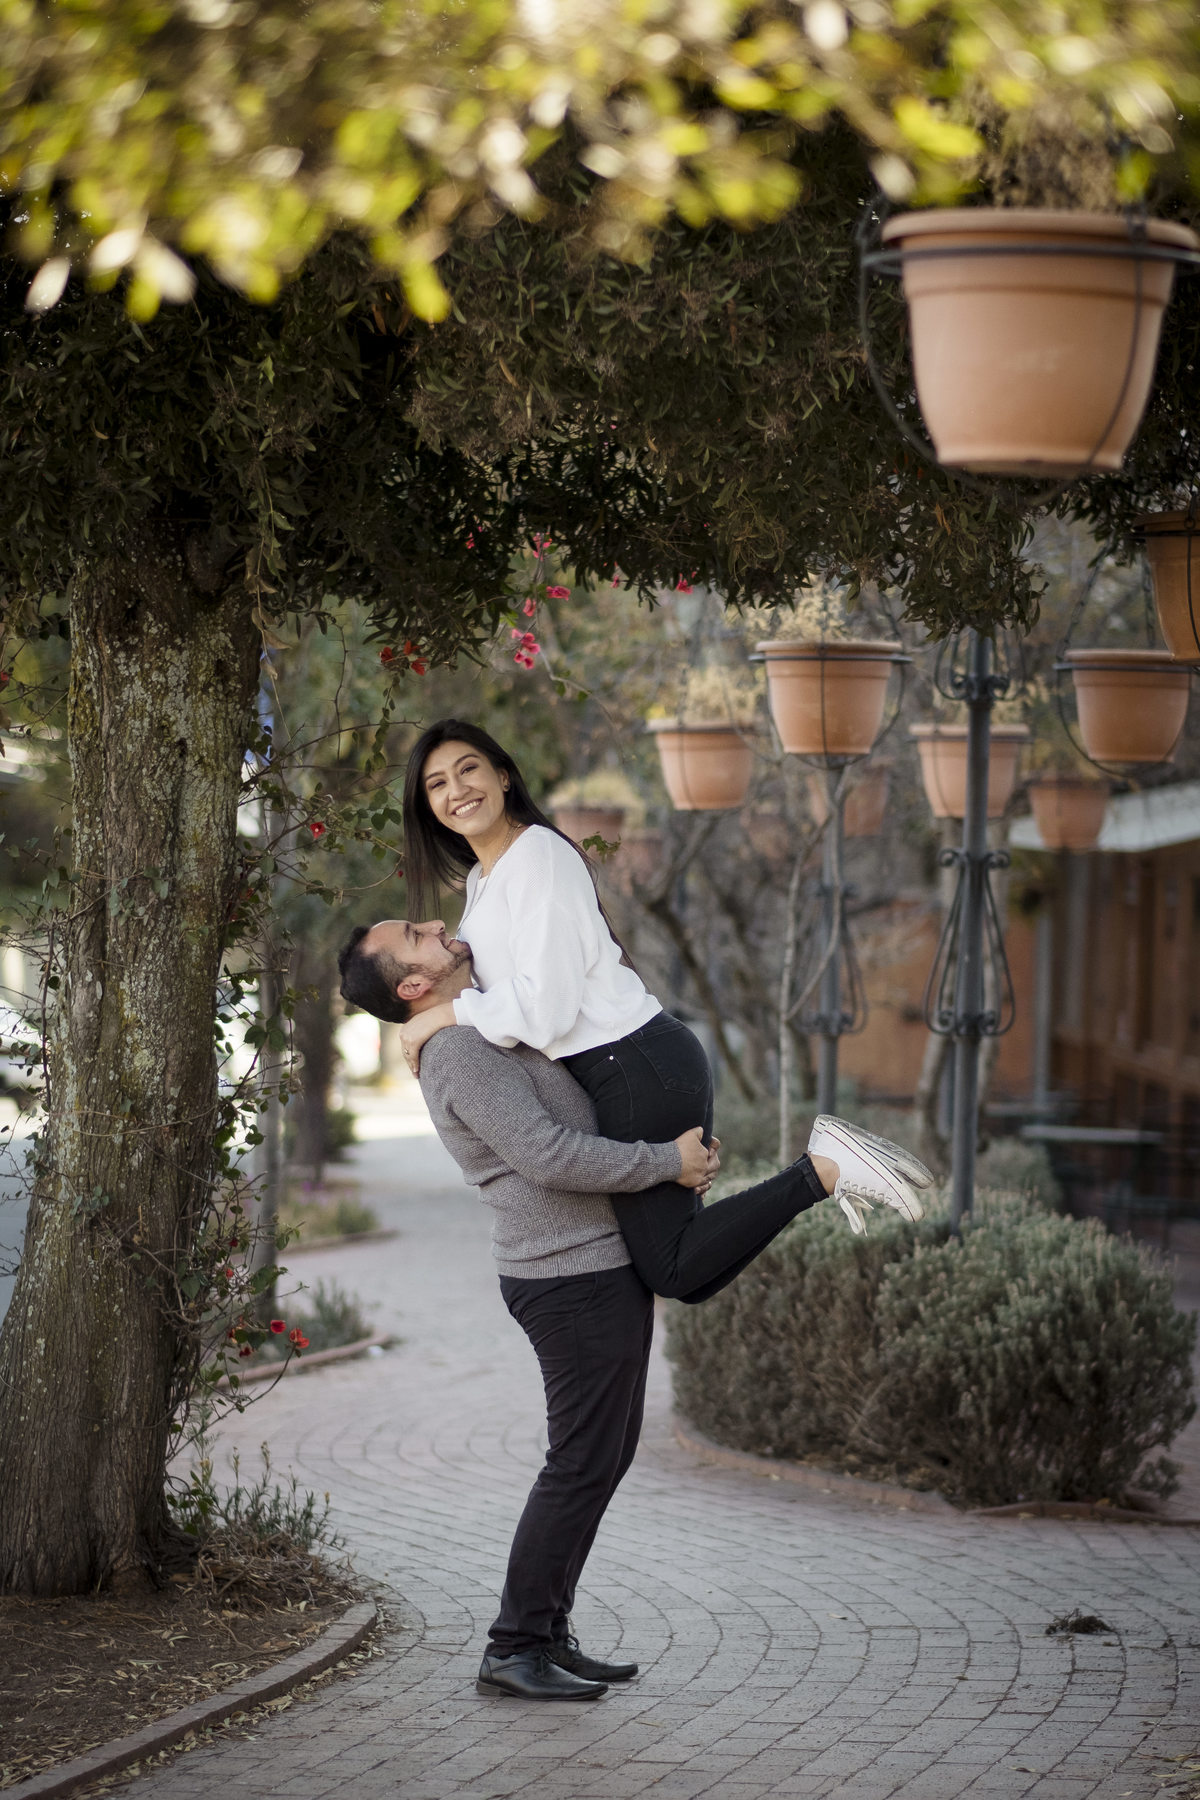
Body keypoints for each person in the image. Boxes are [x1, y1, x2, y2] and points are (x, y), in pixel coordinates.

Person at [337, 920, 834, 1702]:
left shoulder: (478, 1028)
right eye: (416, 934)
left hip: (589, 1270)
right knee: (578, 1465)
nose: (438, 925)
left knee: (597, 1460)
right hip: (569, 1280)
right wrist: (665, 1163)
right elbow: (548, 1154)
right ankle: (514, 1645)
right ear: (411, 986)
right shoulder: (461, 1054)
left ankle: (544, 1632)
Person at [393, 718, 931, 1302]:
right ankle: (820, 1170)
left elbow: (544, 1012)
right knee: (685, 1271)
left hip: (632, 1064)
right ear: (428, 806)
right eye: (437, 784)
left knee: (674, 1268)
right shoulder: (483, 880)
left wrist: (441, 1017)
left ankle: (823, 1169)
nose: (456, 790)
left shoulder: (537, 857)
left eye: (468, 769)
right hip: (627, 1069)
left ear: (501, 775)